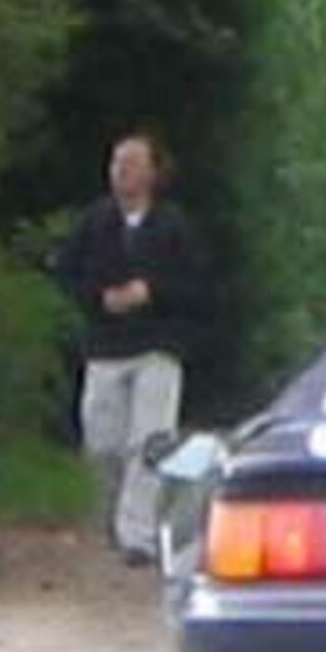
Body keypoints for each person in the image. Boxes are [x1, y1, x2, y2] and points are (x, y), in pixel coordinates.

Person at [51, 132, 207, 567]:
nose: (122, 171)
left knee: (148, 441)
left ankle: (138, 534)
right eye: (117, 162)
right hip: (104, 346)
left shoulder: (173, 226)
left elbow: (196, 285)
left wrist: (151, 292)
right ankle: (113, 520)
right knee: (102, 443)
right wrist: (99, 298)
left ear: (154, 173)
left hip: (158, 347)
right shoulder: (94, 222)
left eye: (133, 163)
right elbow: (66, 272)